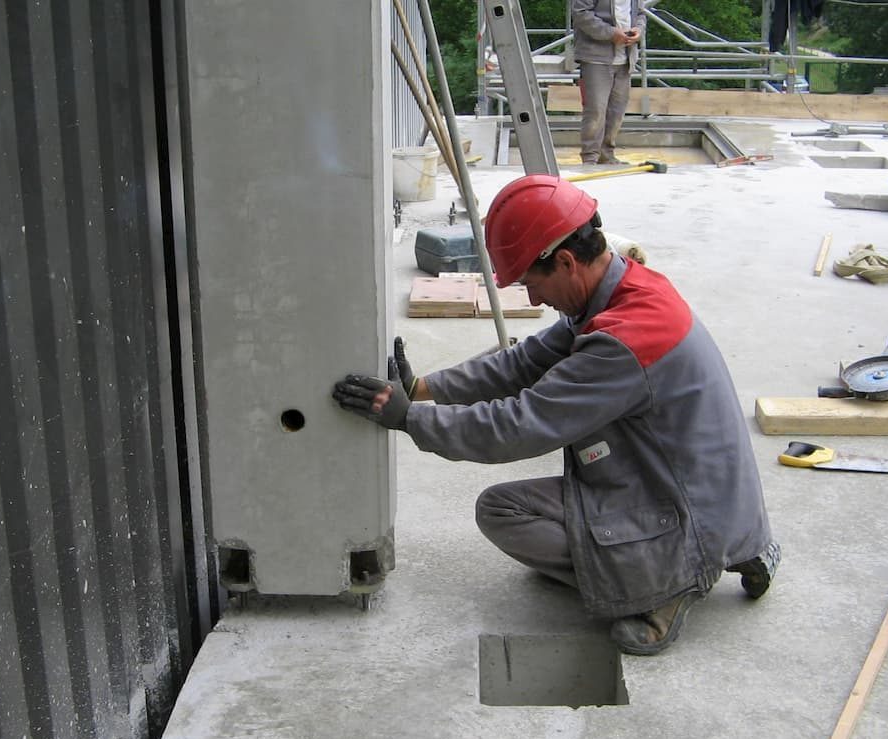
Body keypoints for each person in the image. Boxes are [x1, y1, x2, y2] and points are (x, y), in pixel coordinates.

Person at [333, 175, 779, 655]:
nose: (533, 299)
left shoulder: (624, 341)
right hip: (693, 487)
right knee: (549, 493)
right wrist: (423, 389)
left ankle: (663, 583)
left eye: (531, 282)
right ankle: (711, 550)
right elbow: (523, 362)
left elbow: (520, 426)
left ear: (565, 261)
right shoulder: (621, 288)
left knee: (501, 512)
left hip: (691, 508)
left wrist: (406, 419)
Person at [571, 0, 646, 165]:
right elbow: (580, 13)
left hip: (625, 58)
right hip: (595, 57)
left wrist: (638, 30)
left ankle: (607, 155)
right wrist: (611, 33)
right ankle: (590, 157)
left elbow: (640, 13)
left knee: (616, 112)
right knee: (596, 110)